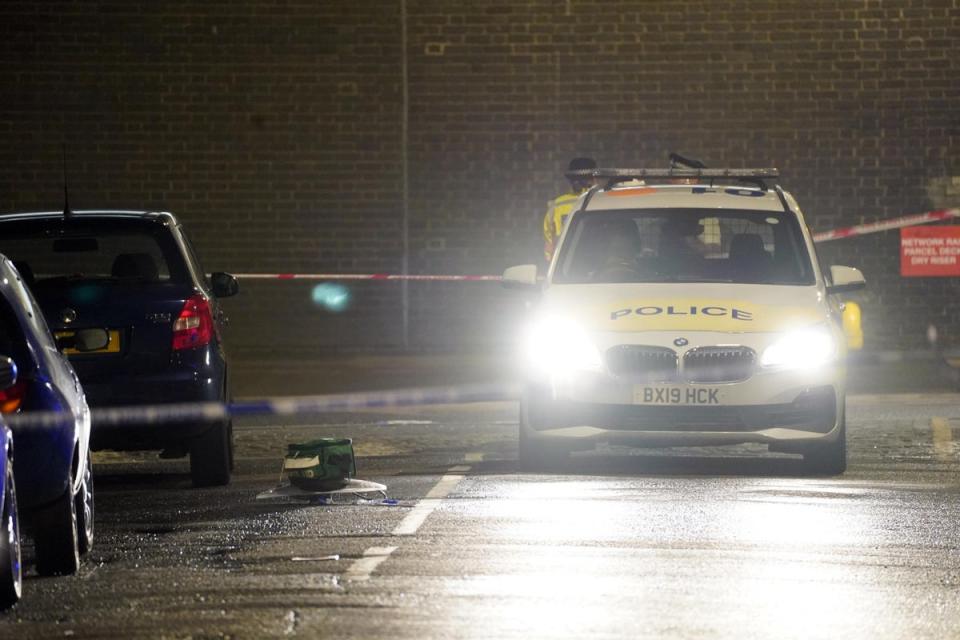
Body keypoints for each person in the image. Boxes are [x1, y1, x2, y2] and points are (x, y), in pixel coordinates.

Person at [542, 157, 598, 263]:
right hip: (583, 266)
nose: (577, 182)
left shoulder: (557, 205)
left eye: (582, 178)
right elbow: (550, 245)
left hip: (567, 268)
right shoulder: (601, 199)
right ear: (594, 178)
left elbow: (549, 245)